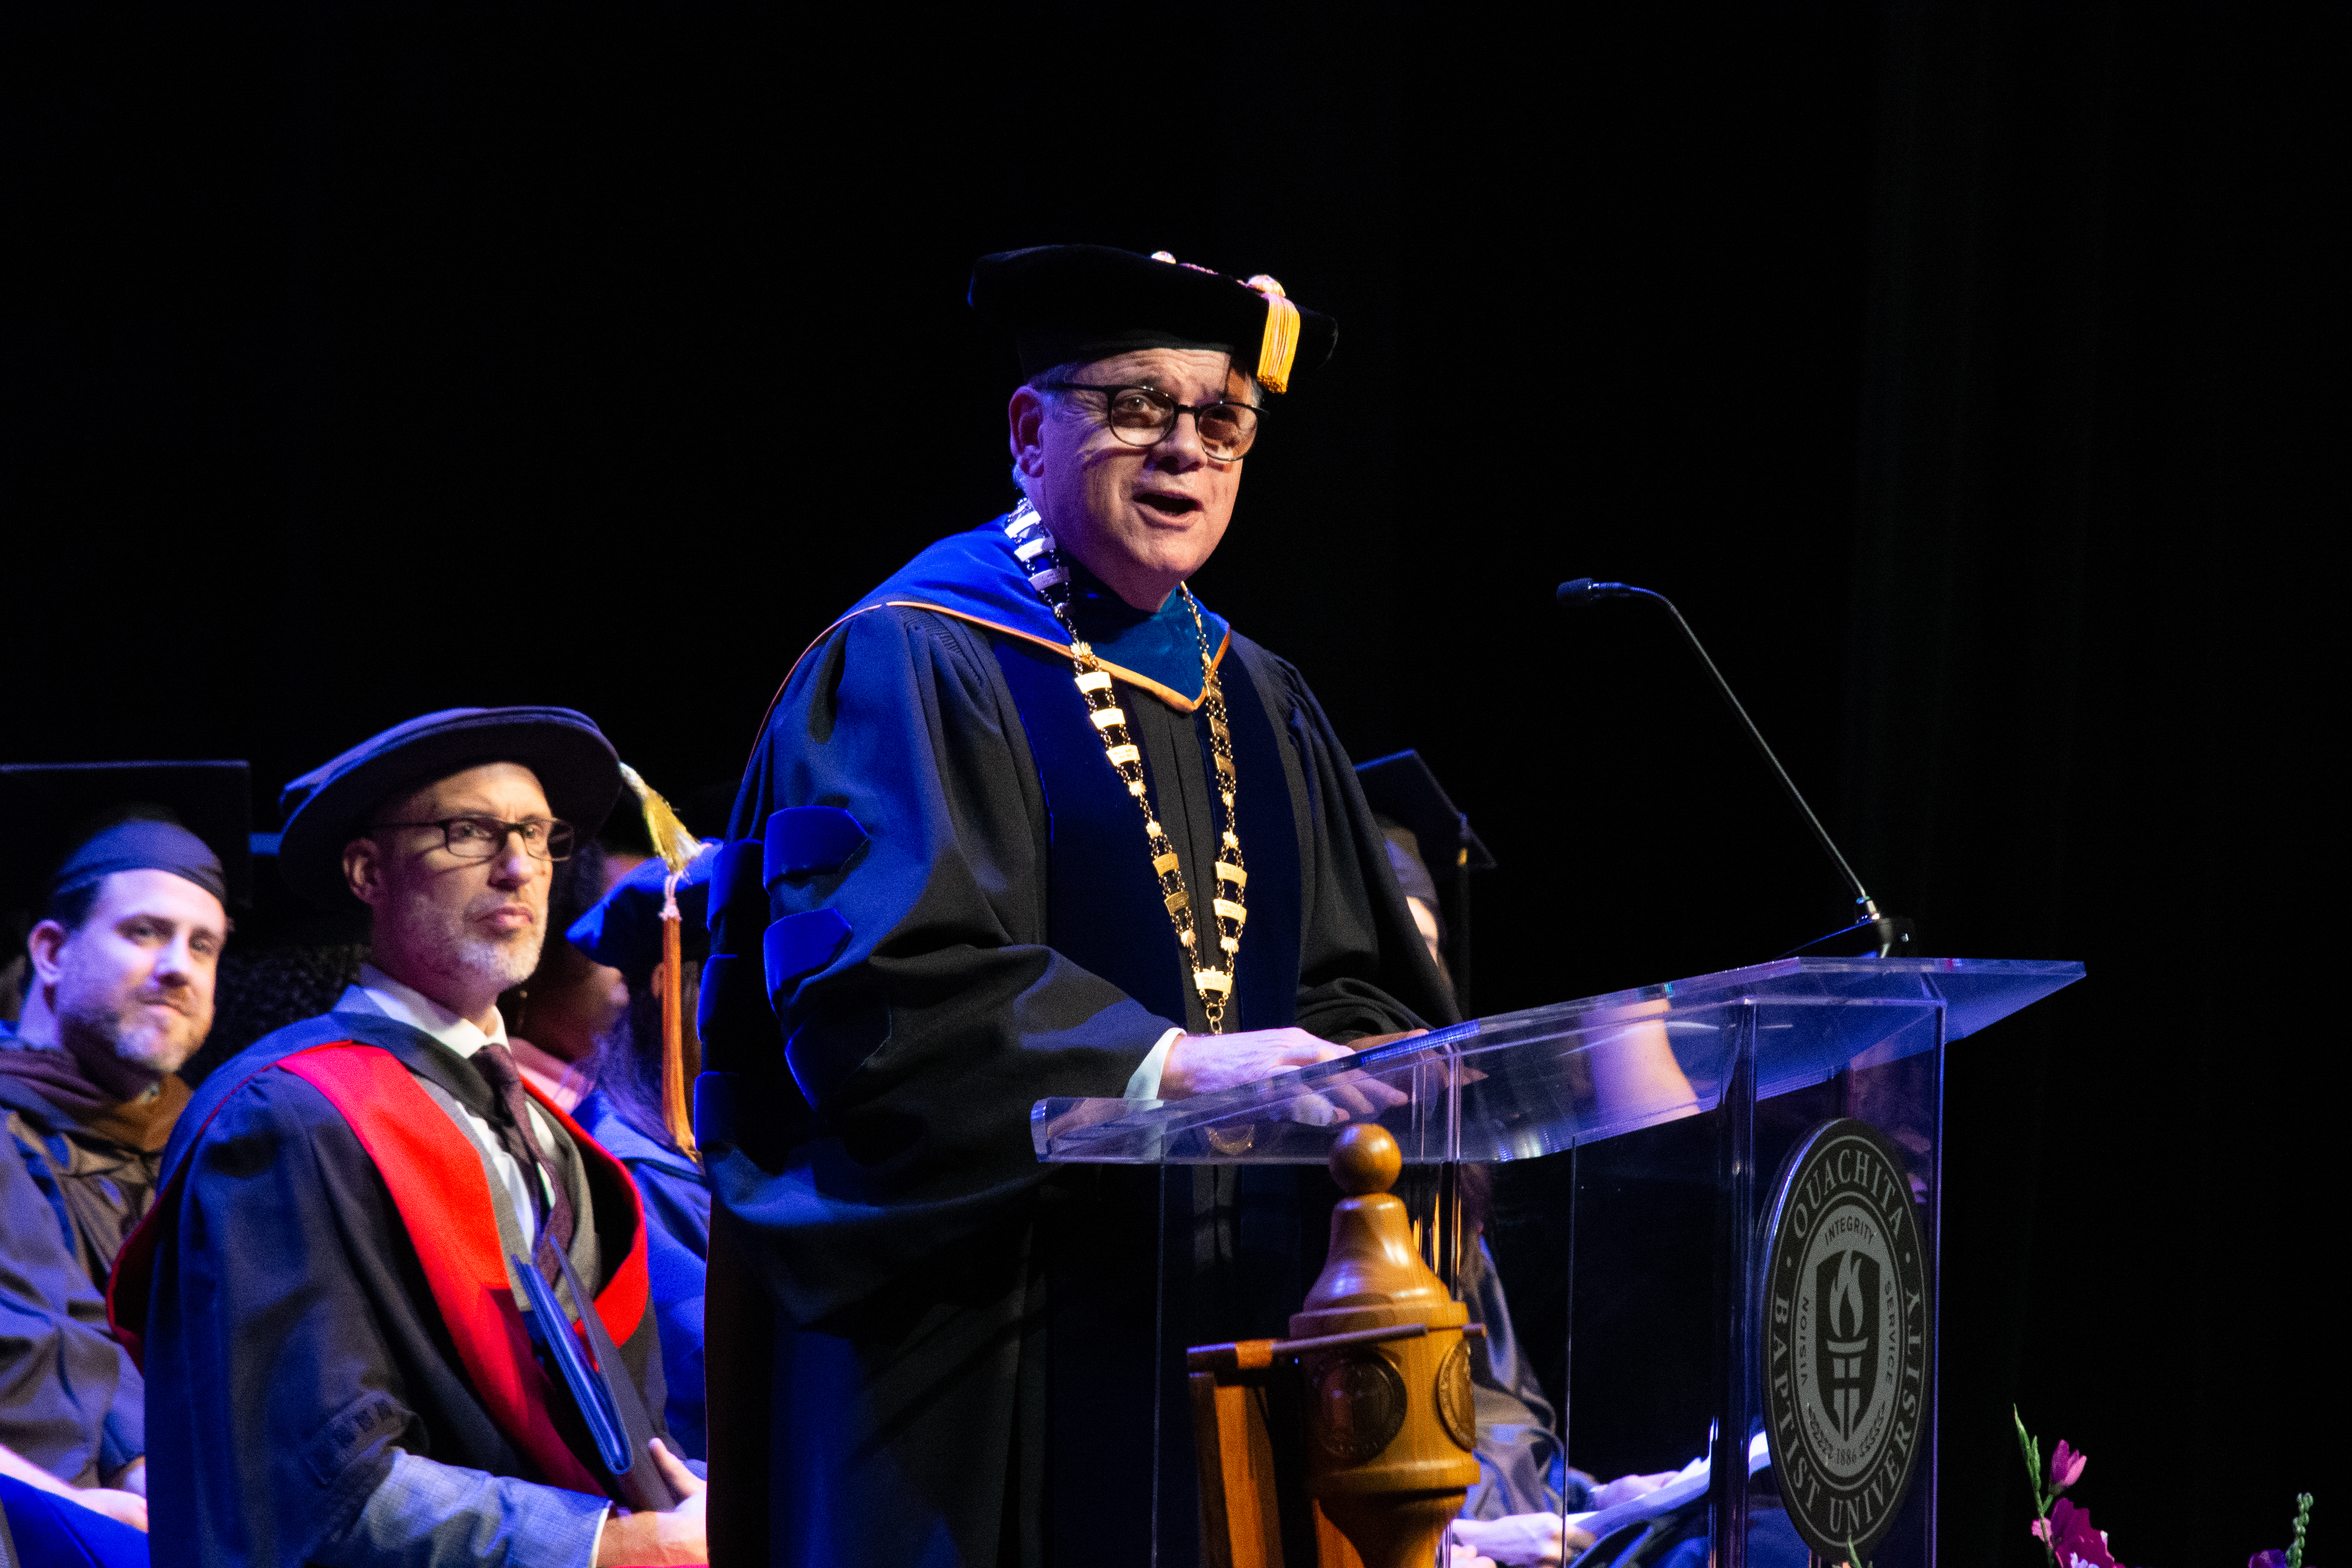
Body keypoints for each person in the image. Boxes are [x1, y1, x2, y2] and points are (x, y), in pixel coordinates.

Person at [695, 244, 1453, 1563]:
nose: (1186, 451)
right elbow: (877, 1001)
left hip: (1235, 1338)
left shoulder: (1263, 696)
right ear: (1028, 431)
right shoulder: (909, 659)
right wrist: (1167, 1068)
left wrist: (1372, 1072)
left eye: (1223, 417)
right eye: (1137, 406)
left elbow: (1356, 980)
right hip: (979, 1363)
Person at [109, 708, 709, 1567]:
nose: (517, 869)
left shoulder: (554, 1138)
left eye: (539, 836)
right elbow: (310, 1484)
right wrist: (615, 1548)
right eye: (469, 832)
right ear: (367, 871)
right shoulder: (287, 1117)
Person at [0, 763, 249, 1545]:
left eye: (203, 945)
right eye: (144, 931)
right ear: (50, 950)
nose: (179, 965)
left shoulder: (226, 1150)